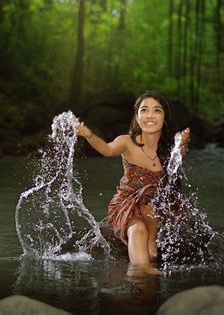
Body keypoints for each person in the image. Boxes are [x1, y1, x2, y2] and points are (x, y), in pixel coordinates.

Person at [77, 90, 190, 274]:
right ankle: (142, 272)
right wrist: (89, 134)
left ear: (165, 117)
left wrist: (183, 143)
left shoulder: (170, 145)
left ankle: (151, 250)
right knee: (138, 230)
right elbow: (106, 150)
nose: (150, 116)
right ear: (137, 117)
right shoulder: (126, 142)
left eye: (157, 111)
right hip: (127, 203)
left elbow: (179, 158)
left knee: (150, 207)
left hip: (157, 204)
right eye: (144, 110)